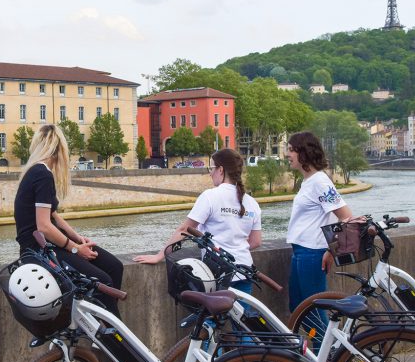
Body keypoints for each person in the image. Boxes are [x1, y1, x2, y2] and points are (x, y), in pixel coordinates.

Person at [14, 124, 124, 315]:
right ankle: (109, 333)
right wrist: (74, 249)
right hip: (40, 250)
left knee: (115, 266)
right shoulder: (42, 174)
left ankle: (106, 324)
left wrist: (78, 239)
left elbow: (53, 215)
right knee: (102, 281)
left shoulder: (37, 172)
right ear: (59, 150)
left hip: (51, 246)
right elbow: (44, 227)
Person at [134, 149, 262, 293]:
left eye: (211, 168)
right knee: (240, 315)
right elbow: (256, 241)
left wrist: (159, 256)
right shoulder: (252, 202)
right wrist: (235, 249)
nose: (210, 173)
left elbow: (184, 230)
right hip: (245, 271)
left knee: (211, 315)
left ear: (221, 170)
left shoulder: (210, 196)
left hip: (219, 274)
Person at [285, 131, 354, 311]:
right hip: (301, 250)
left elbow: (346, 217)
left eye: (292, 150)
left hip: (312, 252)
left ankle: (324, 340)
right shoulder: (308, 181)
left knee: (313, 311)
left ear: (304, 152)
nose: (287, 154)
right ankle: (319, 340)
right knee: (299, 310)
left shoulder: (320, 182)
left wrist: (332, 250)